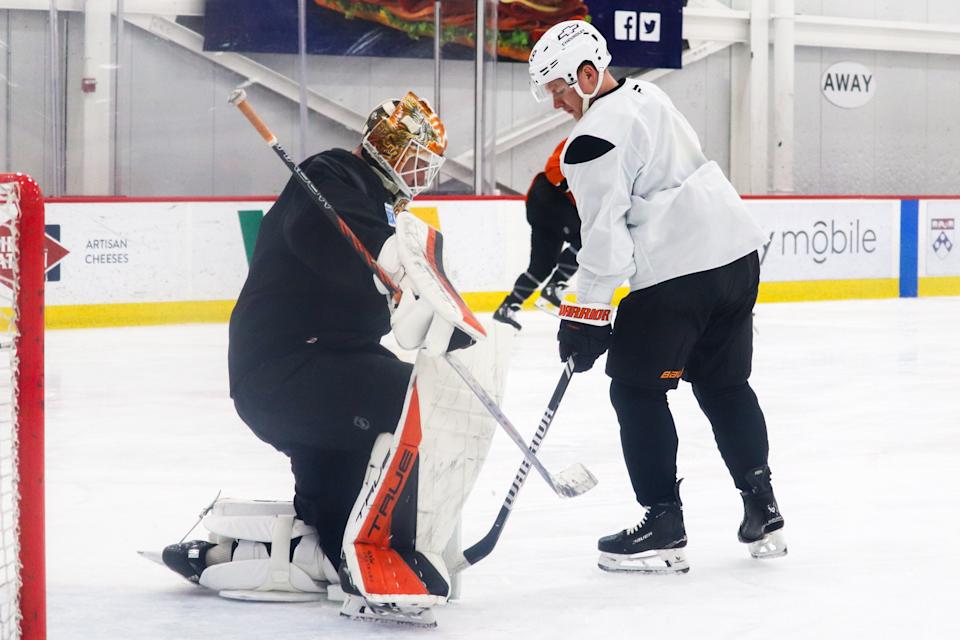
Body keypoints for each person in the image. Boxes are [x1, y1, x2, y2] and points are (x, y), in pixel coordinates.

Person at [157, 93, 507, 627]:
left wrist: (428, 308)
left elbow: (390, 272)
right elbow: (327, 231)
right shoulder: (332, 174)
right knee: (413, 402)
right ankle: (378, 540)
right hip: (289, 371)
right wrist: (389, 260)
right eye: (416, 156)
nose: (421, 173)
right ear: (391, 146)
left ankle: (251, 554)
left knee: (339, 527)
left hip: (315, 374)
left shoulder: (383, 209)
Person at [527, 20, 787, 573]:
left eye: (559, 88)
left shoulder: (590, 139)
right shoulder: (650, 94)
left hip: (679, 269)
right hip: (738, 257)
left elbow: (605, 242)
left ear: (588, 74)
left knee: (636, 390)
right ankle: (762, 505)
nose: (556, 103)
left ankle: (663, 524)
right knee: (725, 384)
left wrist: (582, 318)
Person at [493, 138, 582, 329]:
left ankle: (507, 307)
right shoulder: (582, 137)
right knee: (588, 239)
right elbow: (554, 166)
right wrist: (569, 186)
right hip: (551, 197)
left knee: (541, 266)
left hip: (543, 202)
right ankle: (554, 286)